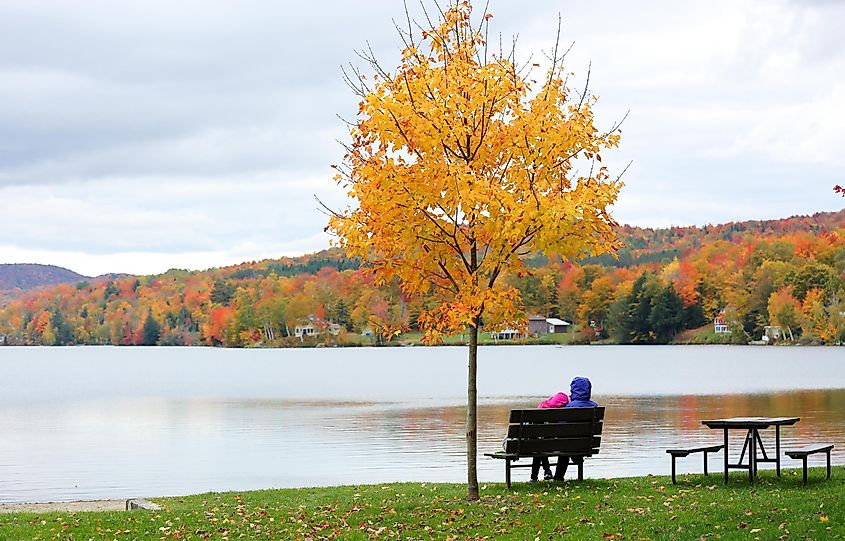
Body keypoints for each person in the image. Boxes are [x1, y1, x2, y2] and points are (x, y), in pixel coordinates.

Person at [553, 376, 598, 480]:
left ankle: (558, 477)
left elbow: (561, 428)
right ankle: (576, 458)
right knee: (571, 444)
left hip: (567, 444)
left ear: (573, 390)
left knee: (565, 447)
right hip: (585, 444)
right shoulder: (594, 407)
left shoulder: (569, 407)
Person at [529, 391, 569, 482]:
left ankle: (534, 477)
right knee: (542, 444)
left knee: (539, 445)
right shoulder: (568, 413)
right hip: (563, 445)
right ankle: (547, 471)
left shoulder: (542, 412)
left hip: (536, 445)